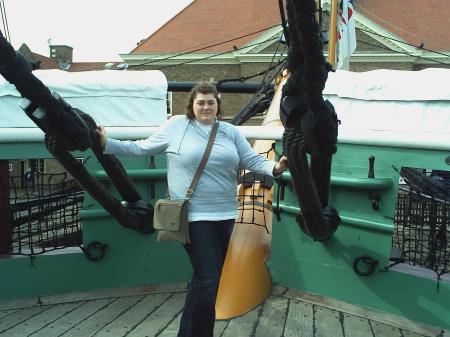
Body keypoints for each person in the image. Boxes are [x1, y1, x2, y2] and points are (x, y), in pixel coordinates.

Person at [97, 82, 288, 337]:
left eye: (211, 102)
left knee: (209, 278)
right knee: (208, 277)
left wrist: (275, 168)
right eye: (201, 102)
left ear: (218, 105)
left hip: (227, 215)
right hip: (194, 217)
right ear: (192, 104)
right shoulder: (177, 126)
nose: (206, 107)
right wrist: (106, 143)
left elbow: (251, 160)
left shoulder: (229, 132)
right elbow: (141, 148)